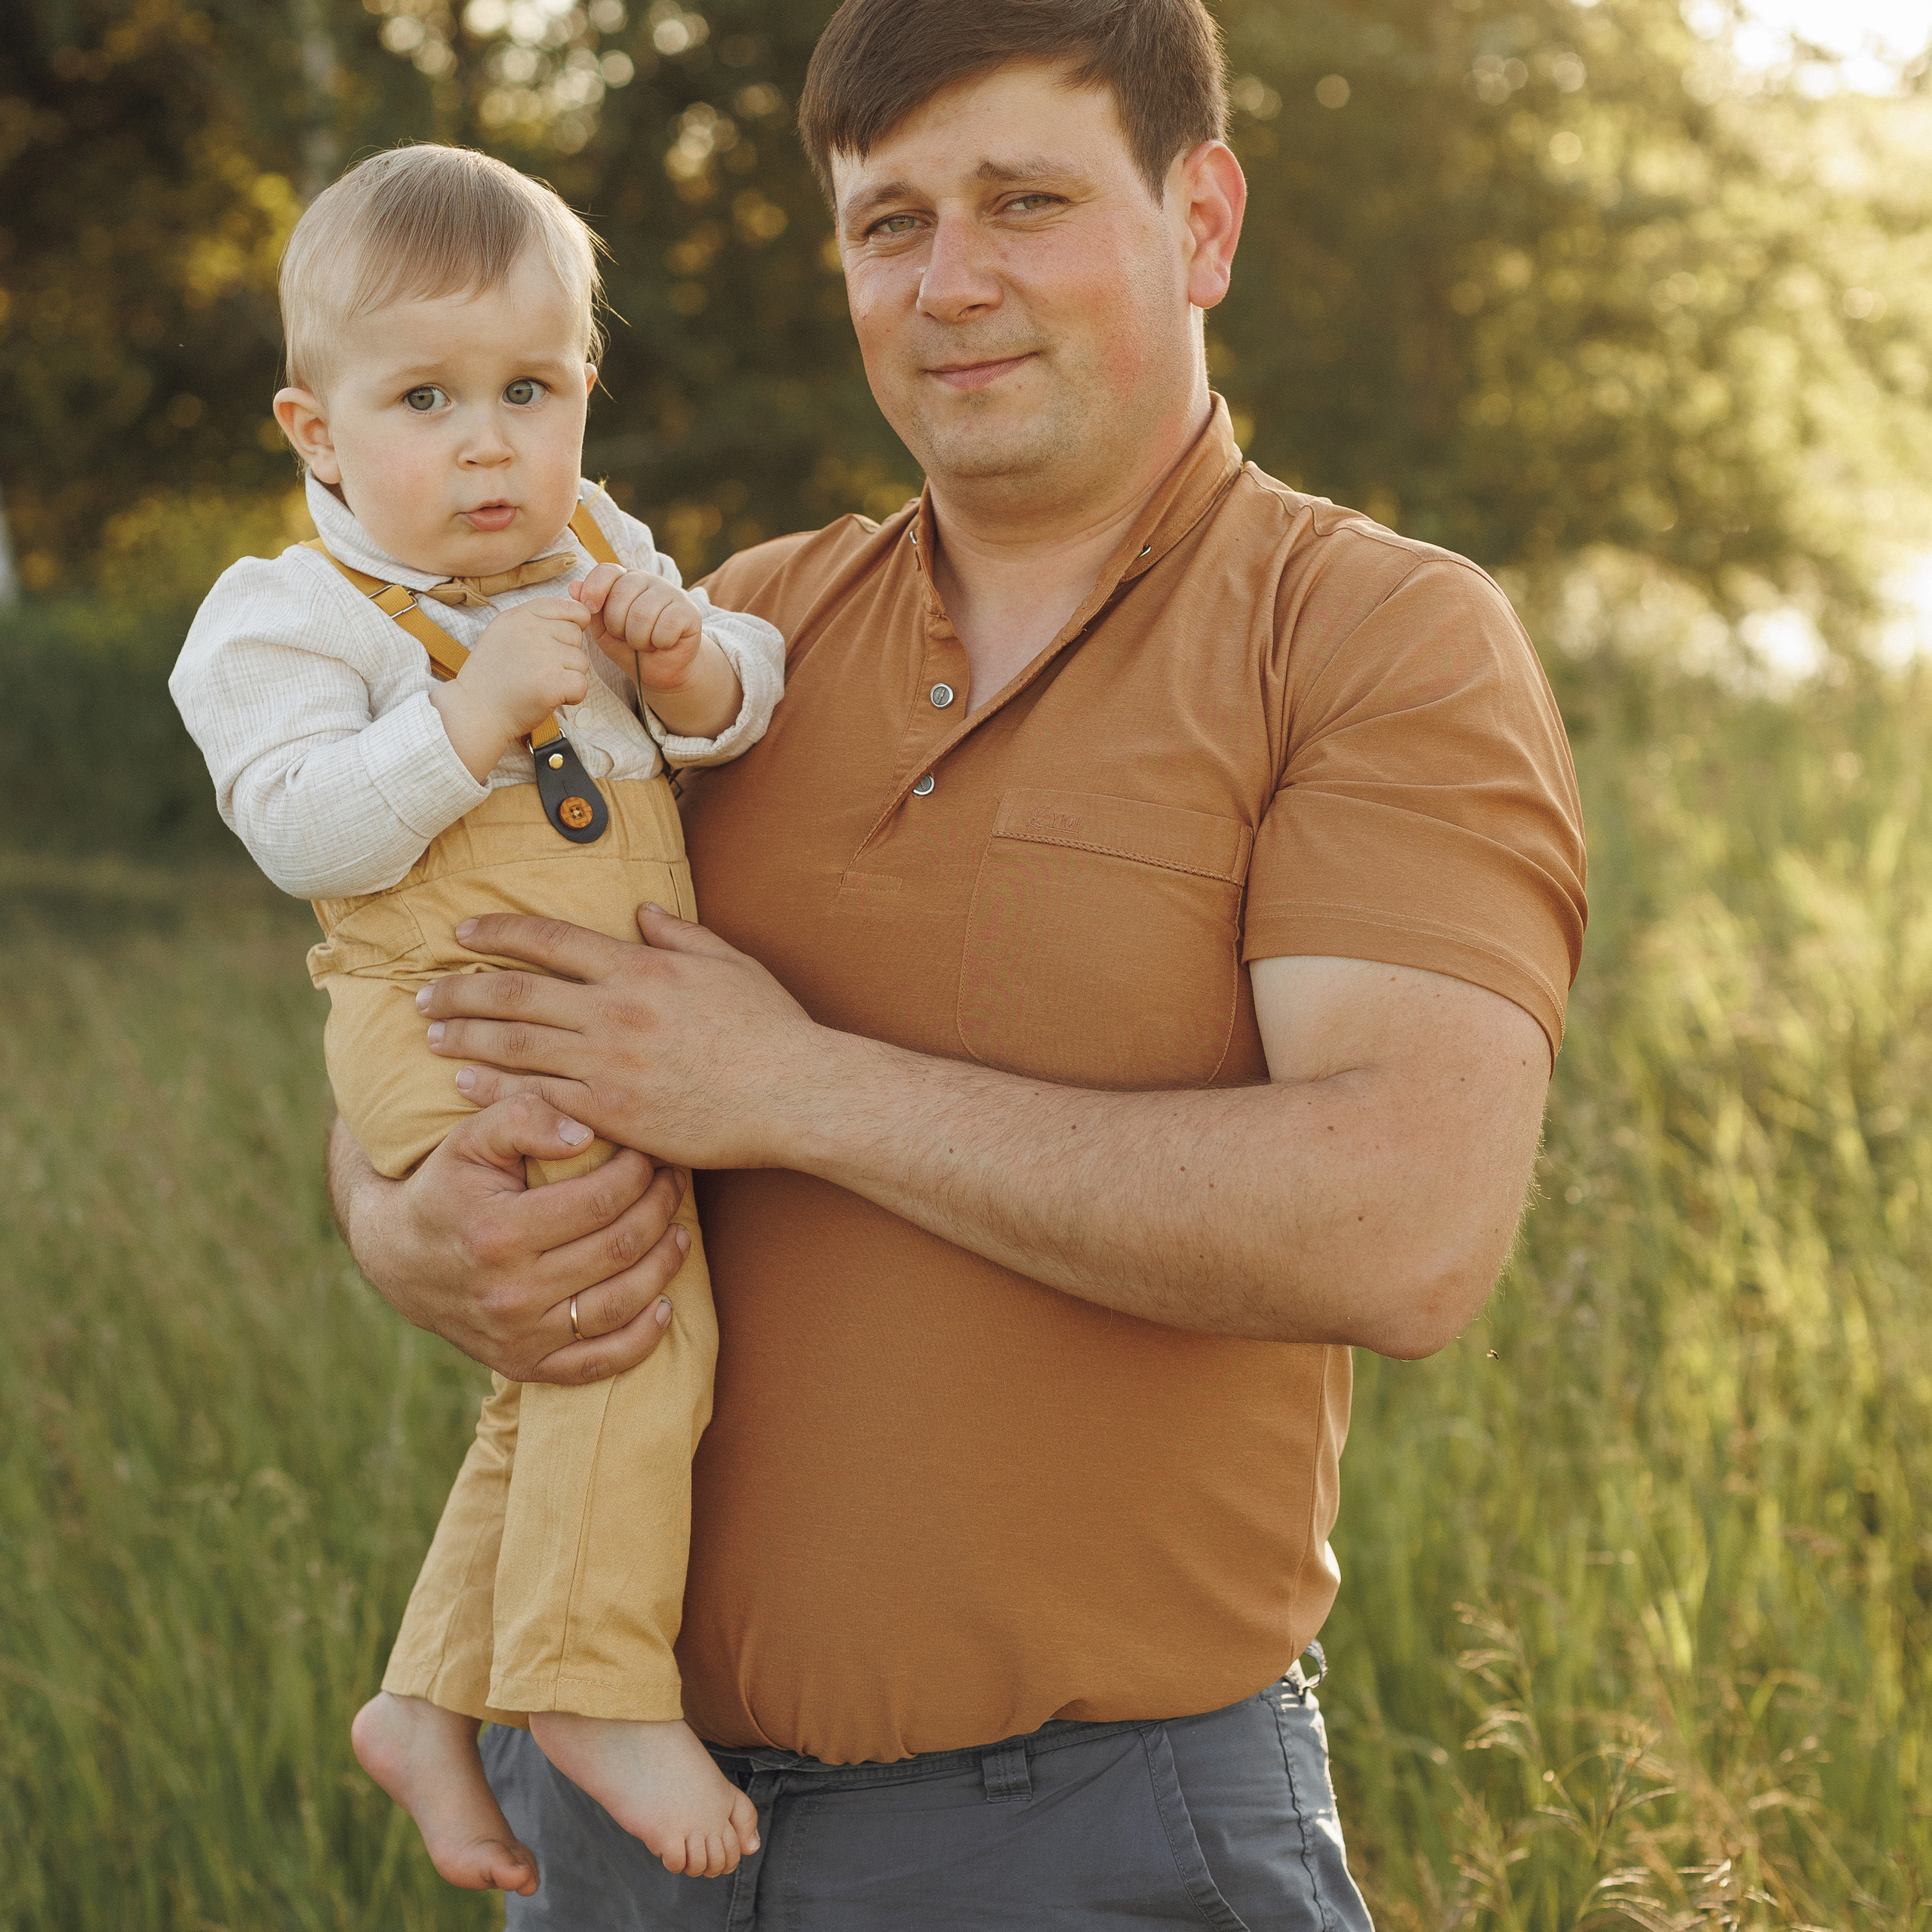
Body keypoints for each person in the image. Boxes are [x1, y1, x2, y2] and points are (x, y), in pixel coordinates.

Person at [328, 1, 1589, 1923]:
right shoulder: (716, 635)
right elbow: (417, 978)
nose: (953, 282)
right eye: (888, 221)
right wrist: (398, 1223)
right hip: (602, 1808)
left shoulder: (1368, 635)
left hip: (1084, 1834)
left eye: (1024, 199)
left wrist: (790, 1088)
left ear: (1202, 222)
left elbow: (1407, 1221)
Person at [171, 145, 781, 1894]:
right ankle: (587, 1684)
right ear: (317, 433)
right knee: (630, 1312)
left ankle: (429, 1695)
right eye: (426, 398)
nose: (490, 441)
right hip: (452, 1022)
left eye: (530, 388)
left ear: (585, 392)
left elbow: (745, 706)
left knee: (553, 1366)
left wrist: (692, 664)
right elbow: (294, 824)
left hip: (567, 1016)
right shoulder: (291, 613)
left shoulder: (598, 551)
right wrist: (464, 718)